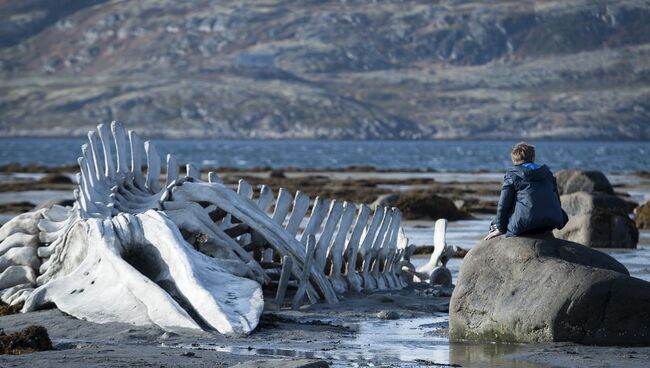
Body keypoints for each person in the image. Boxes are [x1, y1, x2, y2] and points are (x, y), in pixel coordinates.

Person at [484, 142, 568, 240]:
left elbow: (503, 205)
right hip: (551, 223)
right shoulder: (547, 173)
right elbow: (557, 200)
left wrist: (501, 229)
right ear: (533, 157)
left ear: (514, 159)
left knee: (495, 223)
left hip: (525, 226)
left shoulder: (513, 175)